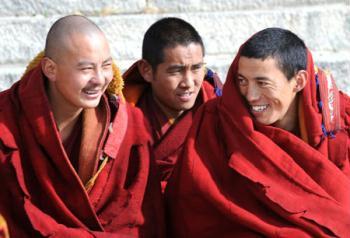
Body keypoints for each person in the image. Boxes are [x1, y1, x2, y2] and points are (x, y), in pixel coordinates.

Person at [165, 27, 350, 237]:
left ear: (298, 81)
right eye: (242, 81)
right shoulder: (218, 123)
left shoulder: (338, 120)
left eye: (262, 83)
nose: (251, 96)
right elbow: (193, 209)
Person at [0, 15, 164, 237]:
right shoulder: (7, 118)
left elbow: (141, 220)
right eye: (86, 69)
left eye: (106, 66)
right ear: (50, 69)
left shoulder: (127, 125)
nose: (99, 79)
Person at [123, 17, 222, 189]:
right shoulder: (122, 116)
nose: (189, 83)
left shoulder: (219, 109)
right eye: (176, 71)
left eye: (197, 68)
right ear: (146, 70)